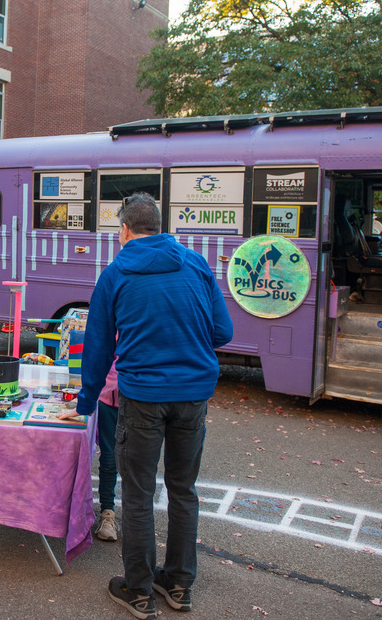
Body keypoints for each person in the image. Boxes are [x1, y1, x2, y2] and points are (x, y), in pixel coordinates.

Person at [59, 193, 233, 619]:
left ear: (124, 230)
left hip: (142, 398)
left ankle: (138, 590)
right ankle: (178, 585)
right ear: (161, 225)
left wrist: (86, 402)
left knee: (137, 495)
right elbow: (223, 331)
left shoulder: (115, 274)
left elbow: (97, 350)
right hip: (193, 395)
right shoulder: (196, 264)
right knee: (183, 490)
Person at [94, 358, 120, 542]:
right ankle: (107, 513)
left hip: (142, 401)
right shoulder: (110, 328)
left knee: (140, 461)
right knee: (110, 459)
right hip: (107, 402)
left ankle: (140, 520)